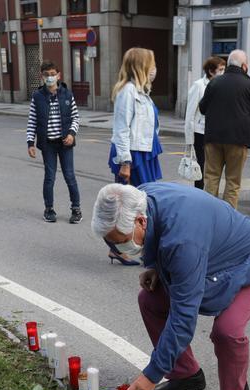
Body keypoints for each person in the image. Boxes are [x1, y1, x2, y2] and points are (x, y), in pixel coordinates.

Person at [92, 182, 250, 390]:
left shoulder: (183, 242)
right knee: (150, 300)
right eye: (112, 242)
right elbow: (159, 234)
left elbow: (183, 317)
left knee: (227, 331)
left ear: (140, 221)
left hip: (249, 258)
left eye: (122, 240)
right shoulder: (137, 198)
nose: (120, 249)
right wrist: (156, 267)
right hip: (207, 255)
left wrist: (152, 374)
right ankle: (187, 374)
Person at [108, 47, 164, 265]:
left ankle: (142, 247)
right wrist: (125, 162)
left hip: (145, 152)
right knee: (128, 205)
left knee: (143, 204)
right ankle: (116, 247)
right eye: (152, 64)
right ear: (142, 66)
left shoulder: (142, 92)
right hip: (133, 155)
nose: (154, 69)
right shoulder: (128, 92)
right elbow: (121, 129)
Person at [199, 49, 250, 208]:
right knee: (233, 181)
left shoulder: (214, 82)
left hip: (213, 138)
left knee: (211, 178)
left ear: (228, 64)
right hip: (238, 139)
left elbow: (202, 108)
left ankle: (208, 214)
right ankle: (228, 218)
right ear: (244, 66)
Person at [27, 60, 82, 224]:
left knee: (70, 176)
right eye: (46, 75)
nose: (50, 78)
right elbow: (32, 120)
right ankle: (49, 209)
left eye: (53, 74)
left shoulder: (67, 94)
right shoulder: (37, 97)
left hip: (65, 143)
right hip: (48, 144)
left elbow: (75, 118)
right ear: (41, 76)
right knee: (49, 177)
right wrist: (30, 142)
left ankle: (76, 209)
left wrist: (72, 134)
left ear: (59, 75)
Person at [184, 56, 225, 191]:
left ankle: (209, 193)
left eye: (224, 69)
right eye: (221, 69)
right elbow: (190, 112)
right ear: (211, 71)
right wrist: (189, 139)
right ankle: (198, 192)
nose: (223, 72)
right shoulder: (199, 85)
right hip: (200, 131)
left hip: (215, 131)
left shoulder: (221, 85)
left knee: (213, 166)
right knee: (200, 166)